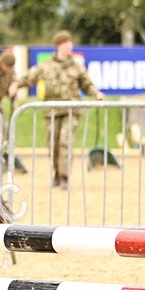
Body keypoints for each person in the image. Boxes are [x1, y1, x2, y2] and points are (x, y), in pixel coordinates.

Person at [12, 31, 105, 190]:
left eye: (70, 44)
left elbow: (86, 84)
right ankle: (56, 173)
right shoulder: (46, 66)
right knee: (53, 144)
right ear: (58, 46)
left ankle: (64, 176)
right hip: (52, 111)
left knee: (65, 142)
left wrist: (96, 93)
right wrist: (15, 85)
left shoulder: (76, 66)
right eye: (66, 44)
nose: (69, 47)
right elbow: (29, 78)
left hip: (71, 110)